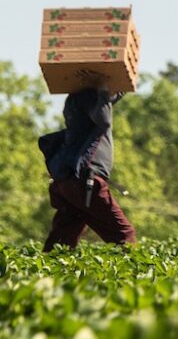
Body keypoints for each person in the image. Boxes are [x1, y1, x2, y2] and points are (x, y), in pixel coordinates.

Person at [39, 77, 136, 252]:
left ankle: (48, 267)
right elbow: (104, 119)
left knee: (63, 238)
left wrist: (120, 88)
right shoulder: (89, 97)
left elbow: (102, 106)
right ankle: (134, 269)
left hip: (66, 183)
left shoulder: (74, 100)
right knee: (124, 235)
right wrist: (104, 89)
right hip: (85, 182)